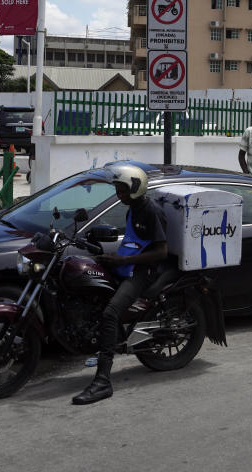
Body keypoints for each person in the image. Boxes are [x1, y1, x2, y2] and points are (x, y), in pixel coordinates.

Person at [72, 164, 170, 406]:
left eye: (123, 190)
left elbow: (161, 251)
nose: (119, 194)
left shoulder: (150, 211)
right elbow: (132, 240)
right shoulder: (132, 209)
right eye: (117, 189)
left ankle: (103, 382)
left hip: (143, 271)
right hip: (127, 263)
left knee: (110, 313)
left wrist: (124, 260)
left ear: (136, 188)